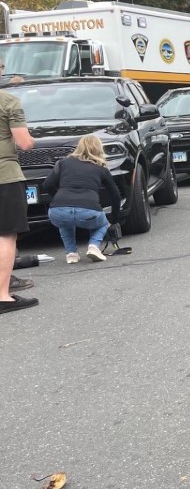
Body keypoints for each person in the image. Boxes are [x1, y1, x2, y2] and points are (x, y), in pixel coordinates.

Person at [42, 134, 122, 263]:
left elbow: (47, 185)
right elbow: (115, 195)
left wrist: (59, 199)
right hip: (89, 211)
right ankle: (93, 247)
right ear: (98, 149)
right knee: (103, 223)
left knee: (65, 223)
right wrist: (114, 218)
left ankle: (71, 254)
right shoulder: (101, 168)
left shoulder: (63, 163)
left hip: (57, 211)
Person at [1, 74, 37, 314]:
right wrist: (32, 139)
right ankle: (3, 295)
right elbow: (24, 143)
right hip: (4, 176)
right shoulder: (8, 101)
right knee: (5, 236)